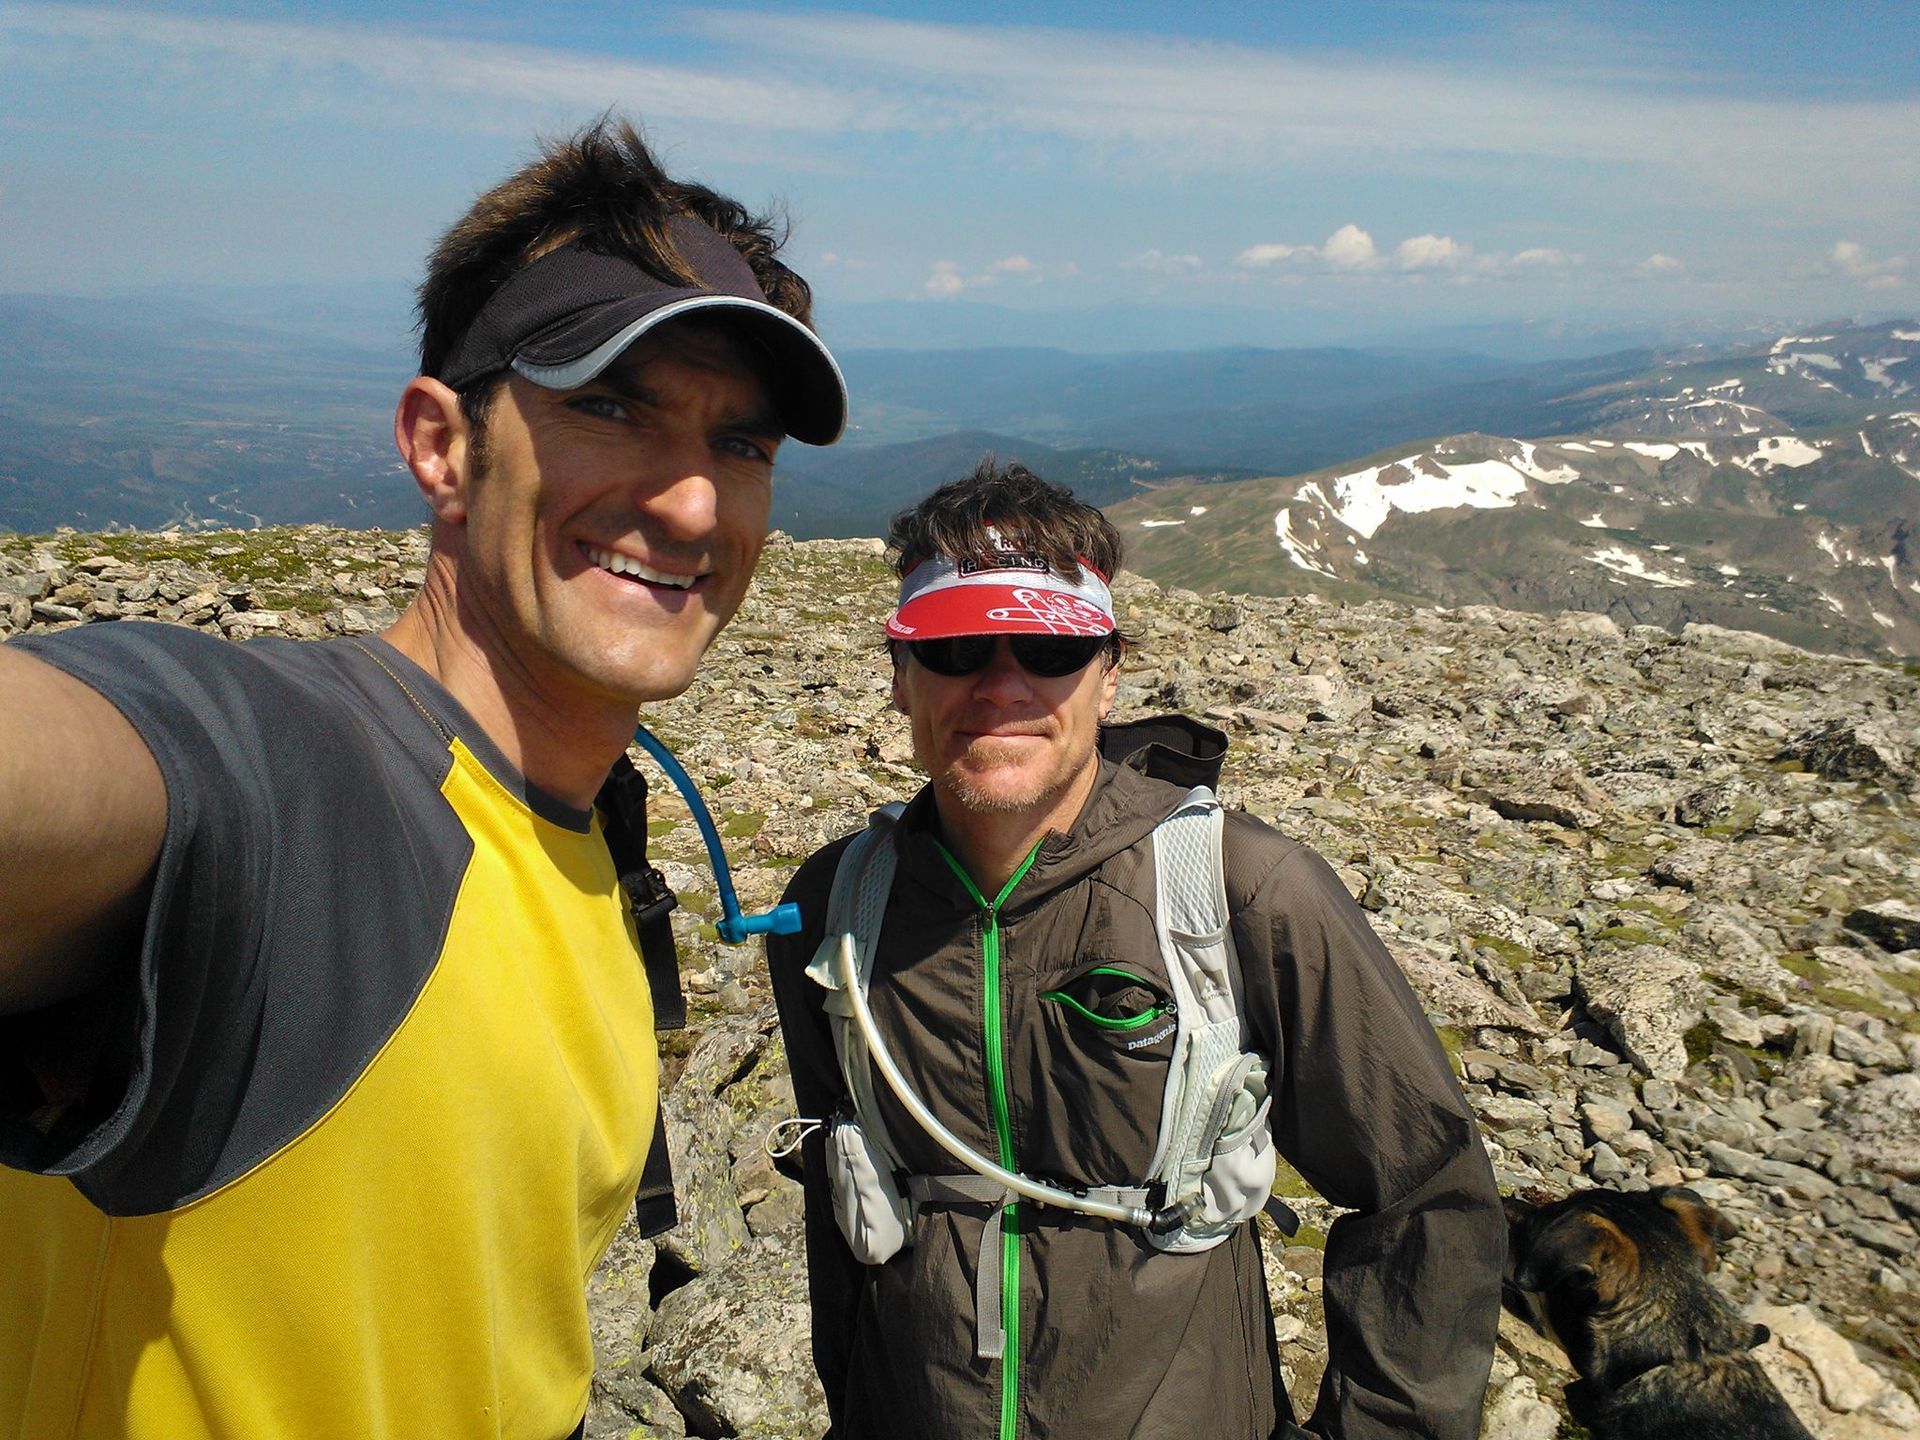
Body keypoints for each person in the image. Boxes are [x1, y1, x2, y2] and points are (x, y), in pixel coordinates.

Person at [0, 117, 845, 1439]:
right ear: (443, 447)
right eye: (610, 406)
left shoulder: (586, 833)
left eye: (739, 445)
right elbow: (82, 769)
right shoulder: (299, 780)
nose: (691, 504)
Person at [768, 461, 1503, 1440]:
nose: (1000, 685)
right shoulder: (836, 908)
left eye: (1048, 646)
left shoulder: (1242, 892)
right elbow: (843, 1195)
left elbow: (1425, 1196)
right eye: (952, 647)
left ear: (1108, 676)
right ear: (900, 674)